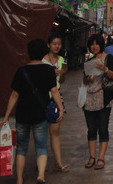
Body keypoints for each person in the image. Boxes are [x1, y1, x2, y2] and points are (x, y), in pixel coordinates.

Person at [0, 38, 64, 184]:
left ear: (29, 53)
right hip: (40, 114)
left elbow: (14, 95)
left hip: (22, 114)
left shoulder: (21, 71)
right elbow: (54, 91)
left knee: (21, 147)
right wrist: (60, 108)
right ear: (43, 52)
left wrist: (6, 115)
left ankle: (20, 179)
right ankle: (41, 176)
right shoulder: (48, 70)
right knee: (41, 146)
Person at [82, 33, 113, 170]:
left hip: (104, 99)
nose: (94, 46)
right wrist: (86, 79)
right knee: (91, 129)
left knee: (103, 128)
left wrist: (105, 69)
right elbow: (85, 81)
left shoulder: (108, 58)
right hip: (89, 99)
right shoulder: (88, 61)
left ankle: (101, 157)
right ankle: (92, 157)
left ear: (101, 45)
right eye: (92, 44)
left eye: (97, 44)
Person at [42, 33, 69, 172]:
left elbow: (62, 81)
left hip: (56, 97)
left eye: (59, 43)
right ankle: (41, 161)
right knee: (40, 131)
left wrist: (62, 74)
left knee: (55, 131)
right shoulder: (42, 61)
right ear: (48, 45)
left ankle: (58, 162)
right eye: (54, 43)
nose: (57, 46)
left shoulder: (61, 59)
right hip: (42, 98)